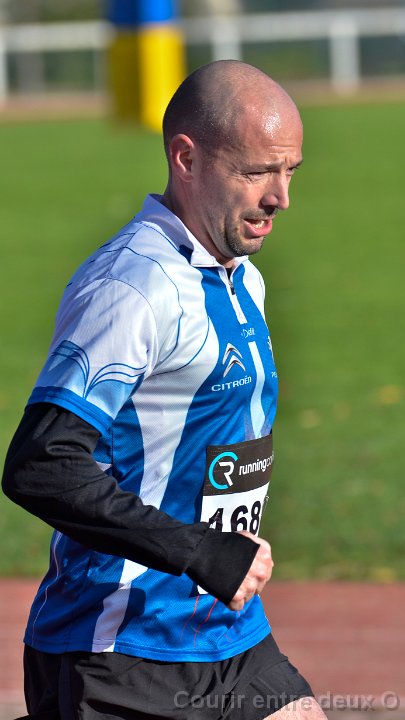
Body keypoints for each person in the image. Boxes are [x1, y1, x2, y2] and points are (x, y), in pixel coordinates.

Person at [2, 60, 324, 720]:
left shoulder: (239, 278)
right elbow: (41, 465)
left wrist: (216, 559)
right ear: (187, 158)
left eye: (290, 170)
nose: (280, 197)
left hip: (226, 631)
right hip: (120, 649)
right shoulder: (132, 288)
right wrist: (200, 550)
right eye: (257, 172)